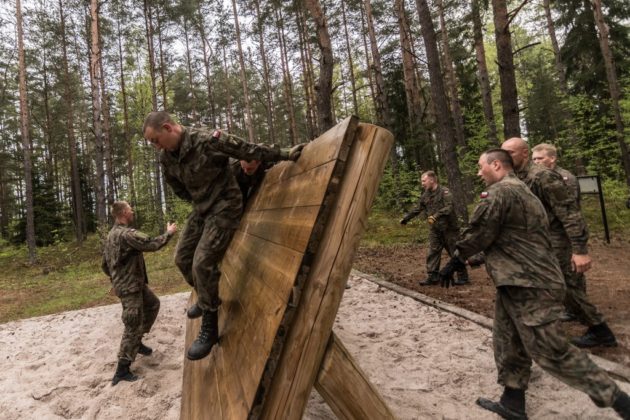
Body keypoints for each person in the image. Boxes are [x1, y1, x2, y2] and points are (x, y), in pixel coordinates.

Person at [439, 149, 630, 420]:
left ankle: (618, 400)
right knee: (508, 339)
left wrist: (456, 259)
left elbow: (480, 232)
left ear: (496, 165)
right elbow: (510, 237)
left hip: (529, 283)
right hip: (516, 281)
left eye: (481, 167)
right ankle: (512, 401)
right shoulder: (521, 190)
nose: (479, 173)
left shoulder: (500, 192)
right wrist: (470, 260)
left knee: (551, 350)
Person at [142, 111, 304, 361]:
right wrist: (198, 198)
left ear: (168, 128)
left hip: (225, 205)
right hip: (202, 208)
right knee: (182, 258)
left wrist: (285, 153)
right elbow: (177, 187)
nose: (155, 146)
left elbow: (248, 150)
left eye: (155, 140)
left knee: (202, 262)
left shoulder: (208, 140)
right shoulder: (166, 157)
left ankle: (210, 328)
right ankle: (206, 296)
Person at [502, 138, 617, 348]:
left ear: (524, 153)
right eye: (503, 153)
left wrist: (579, 250)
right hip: (537, 241)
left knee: (566, 286)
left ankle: (600, 330)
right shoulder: (517, 177)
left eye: (510, 152)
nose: (505, 157)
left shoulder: (542, 176)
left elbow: (570, 213)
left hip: (556, 240)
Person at [102, 201, 177, 385]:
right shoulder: (127, 234)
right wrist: (169, 233)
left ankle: (137, 342)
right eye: (130, 209)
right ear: (123, 213)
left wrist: (116, 278)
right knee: (132, 325)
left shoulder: (111, 235)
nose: (132, 211)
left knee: (153, 304)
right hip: (130, 288)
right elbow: (151, 244)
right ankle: (122, 370)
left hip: (134, 284)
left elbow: (105, 264)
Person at [400, 171, 468, 286]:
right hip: (435, 229)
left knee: (455, 252)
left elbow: (449, 207)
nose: (422, 183)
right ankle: (433, 277)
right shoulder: (426, 195)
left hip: (449, 229)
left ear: (432, 180)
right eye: (422, 181)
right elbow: (418, 208)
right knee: (433, 252)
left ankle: (463, 277)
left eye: (424, 181)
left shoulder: (444, 192)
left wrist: (436, 215)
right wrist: (406, 218)